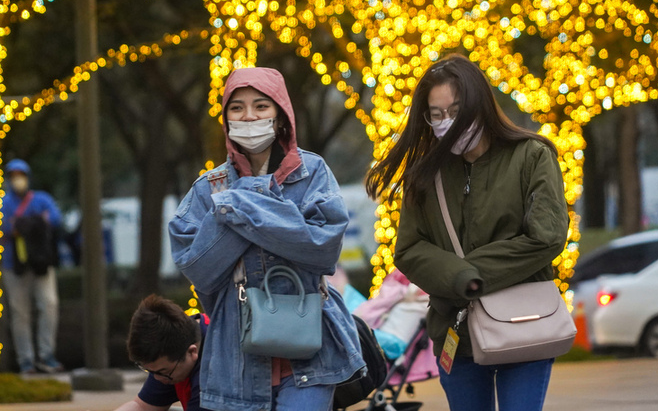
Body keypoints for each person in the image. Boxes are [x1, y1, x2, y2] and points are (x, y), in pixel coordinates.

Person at [365, 54, 569, 411]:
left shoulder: (532, 156)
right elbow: (409, 250)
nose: (447, 122)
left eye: (456, 110)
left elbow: (546, 236)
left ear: (480, 105)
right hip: (454, 333)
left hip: (523, 322)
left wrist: (470, 274)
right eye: (437, 114)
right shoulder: (425, 175)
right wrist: (460, 278)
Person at [169, 67, 365, 411]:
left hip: (312, 355)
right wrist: (277, 221)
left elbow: (322, 250)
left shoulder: (313, 172)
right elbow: (197, 268)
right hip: (235, 360)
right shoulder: (207, 187)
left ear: (280, 115)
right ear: (226, 119)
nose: (249, 116)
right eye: (237, 107)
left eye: (261, 106)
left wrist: (236, 206)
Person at [0, 158, 64, 374]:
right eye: (13, 176)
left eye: (21, 175)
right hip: (13, 266)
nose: (18, 179)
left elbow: (55, 219)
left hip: (41, 264)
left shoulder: (41, 199)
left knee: (49, 305)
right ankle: (26, 361)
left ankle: (47, 356)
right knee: (20, 314)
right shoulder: (4, 203)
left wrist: (23, 225)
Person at [115, 294, 210, 411]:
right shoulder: (178, 340)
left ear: (191, 352)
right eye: (150, 371)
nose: (158, 379)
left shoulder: (213, 371)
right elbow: (142, 406)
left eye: (163, 372)